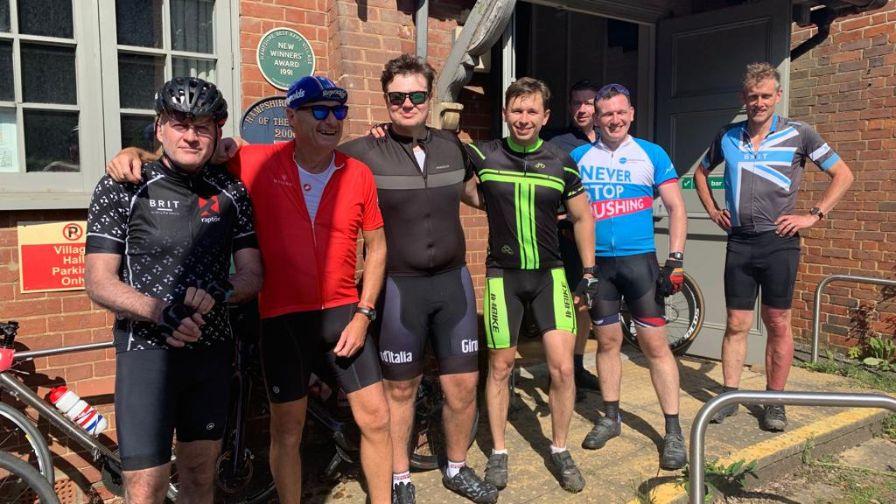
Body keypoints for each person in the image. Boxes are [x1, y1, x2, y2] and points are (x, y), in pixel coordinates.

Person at [106, 75, 393, 504]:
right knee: (288, 430)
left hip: (343, 314)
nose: (331, 119)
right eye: (319, 110)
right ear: (292, 117)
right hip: (282, 317)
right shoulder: (254, 160)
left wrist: (365, 311)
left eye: (338, 111)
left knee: (377, 418)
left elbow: (378, 245)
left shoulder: (358, 173)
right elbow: (186, 156)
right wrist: (134, 153)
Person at [85, 77, 263, 503]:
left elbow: (253, 275)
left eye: (202, 126)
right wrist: (159, 311)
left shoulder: (231, 191)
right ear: (160, 127)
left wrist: (220, 292)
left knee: (201, 475)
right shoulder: (123, 184)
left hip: (212, 348)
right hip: (146, 351)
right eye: (180, 123)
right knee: (145, 486)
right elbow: (98, 280)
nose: (191, 135)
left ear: (217, 133)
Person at [338, 55, 497, 504]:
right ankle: (400, 476)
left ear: (430, 98)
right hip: (398, 287)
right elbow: (303, 154)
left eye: (416, 95)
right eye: (397, 97)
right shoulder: (362, 152)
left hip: (453, 285)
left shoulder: (452, 146)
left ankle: (457, 467)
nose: (407, 103)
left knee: (463, 386)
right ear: (386, 100)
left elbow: (475, 192)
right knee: (400, 389)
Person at [695, 62, 854, 431]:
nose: (759, 103)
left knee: (778, 322)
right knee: (736, 322)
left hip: (779, 242)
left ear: (777, 96)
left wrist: (814, 214)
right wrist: (713, 209)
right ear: (743, 99)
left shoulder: (800, 134)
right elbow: (701, 172)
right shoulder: (728, 136)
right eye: (753, 97)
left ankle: (775, 401)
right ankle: (729, 395)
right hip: (740, 242)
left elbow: (842, 174)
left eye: (766, 96)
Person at [468, 77, 596, 494]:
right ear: (506, 113)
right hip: (502, 276)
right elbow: (455, 178)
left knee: (561, 368)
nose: (523, 119)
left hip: (550, 275)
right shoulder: (484, 156)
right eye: (516, 111)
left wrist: (589, 271)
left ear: (545, 117)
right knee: (501, 367)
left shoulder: (563, 161)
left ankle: (559, 449)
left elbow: (582, 218)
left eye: (531, 112)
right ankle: (500, 453)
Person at [570, 82, 689, 470]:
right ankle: (610, 417)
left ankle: (673, 430)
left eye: (621, 112)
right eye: (607, 114)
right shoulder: (578, 156)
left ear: (631, 113)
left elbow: (676, 207)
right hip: (598, 267)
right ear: (596, 117)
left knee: (655, 346)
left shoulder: (651, 153)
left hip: (640, 263)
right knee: (606, 342)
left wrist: (675, 259)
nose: (615, 120)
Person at [545, 79, 603, 398]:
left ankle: (578, 368)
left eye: (588, 102)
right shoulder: (556, 142)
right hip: (566, 238)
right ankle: (561, 371)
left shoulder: (611, 143)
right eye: (576, 103)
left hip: (601, 240)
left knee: (586, 307)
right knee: (566, 305)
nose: (582, 109)